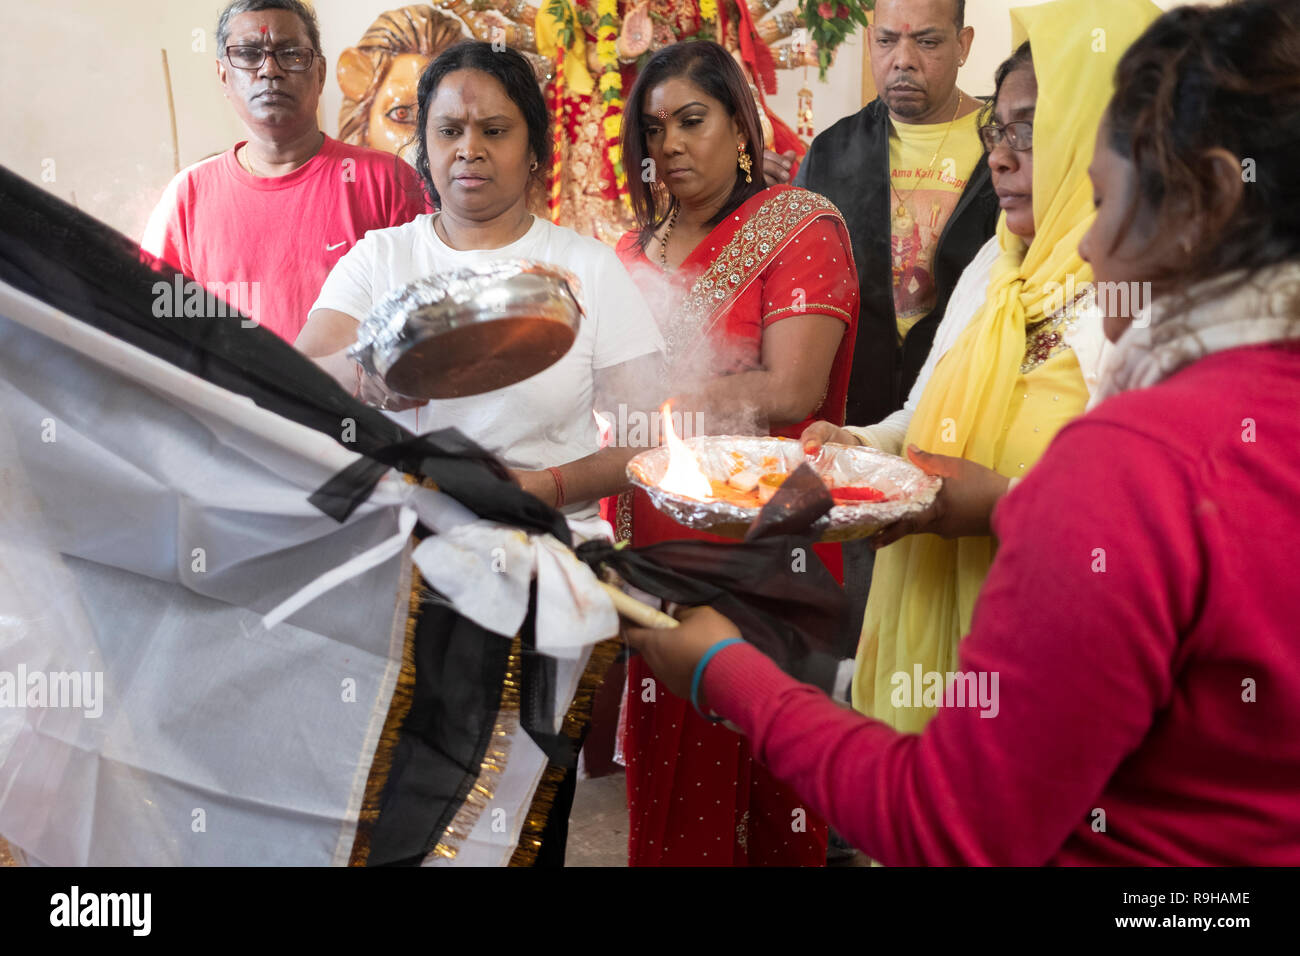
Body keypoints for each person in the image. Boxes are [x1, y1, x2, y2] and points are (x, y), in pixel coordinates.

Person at [626, 0, 1300, 866]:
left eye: (1102, 199)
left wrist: (725, 669)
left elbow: (949, 822)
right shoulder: (1223, 414)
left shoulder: (1137, 463)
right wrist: (886, 457)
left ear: (1208, 191)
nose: (1089, 245)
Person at [802, 0, 1158, 734]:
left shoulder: (1150, 295)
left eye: (1031, 131)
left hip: (1055, 671)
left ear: (1105, 131)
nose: (999, 155)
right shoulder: (998, 261)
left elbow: (1153, 523)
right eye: (999, 129)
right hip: (931, 647)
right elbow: (922, 411)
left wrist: (998, 502)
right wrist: (859, 446)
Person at [614, 40, 859, 866]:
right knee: (670, 779)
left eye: (692, 121)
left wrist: (666, 403)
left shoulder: (798, 225)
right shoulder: (626, 254)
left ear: (739, 126)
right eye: (653, 129)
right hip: (653, 549)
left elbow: (791, 390)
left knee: (765, 770)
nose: (671, 145)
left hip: (765, 551)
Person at [297, 40, 663, 532]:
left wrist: (543, 487)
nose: (470, 149)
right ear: (426, 146)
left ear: (533, 149)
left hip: (549, 540)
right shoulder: (379, 257)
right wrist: (368, 372)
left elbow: (648, 434)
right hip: (402, 540)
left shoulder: (587, 265)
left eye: (494, 131)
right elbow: (299, 385)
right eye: (449, 131)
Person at [142, 0, 428, 342]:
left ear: (320, 73)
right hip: (231, 396)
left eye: (291, 54)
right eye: (249, 54)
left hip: (350, 396)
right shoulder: (188, 196)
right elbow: (158, 327)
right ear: (223, 76)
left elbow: (426, 318)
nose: (269, 70)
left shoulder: (388, 182)